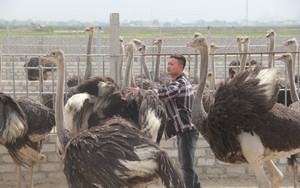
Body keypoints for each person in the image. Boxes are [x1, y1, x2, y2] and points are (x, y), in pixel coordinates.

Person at [128, 54, 201, 188]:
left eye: (171, 64)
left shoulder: (180, 83)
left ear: (181, 67)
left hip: (187, 130)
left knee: (186, 167)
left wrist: (143, 92)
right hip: (184, 130)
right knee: (187, 165)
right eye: (168, 64)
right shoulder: (177, 82)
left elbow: (165, 93)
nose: (168, 66)